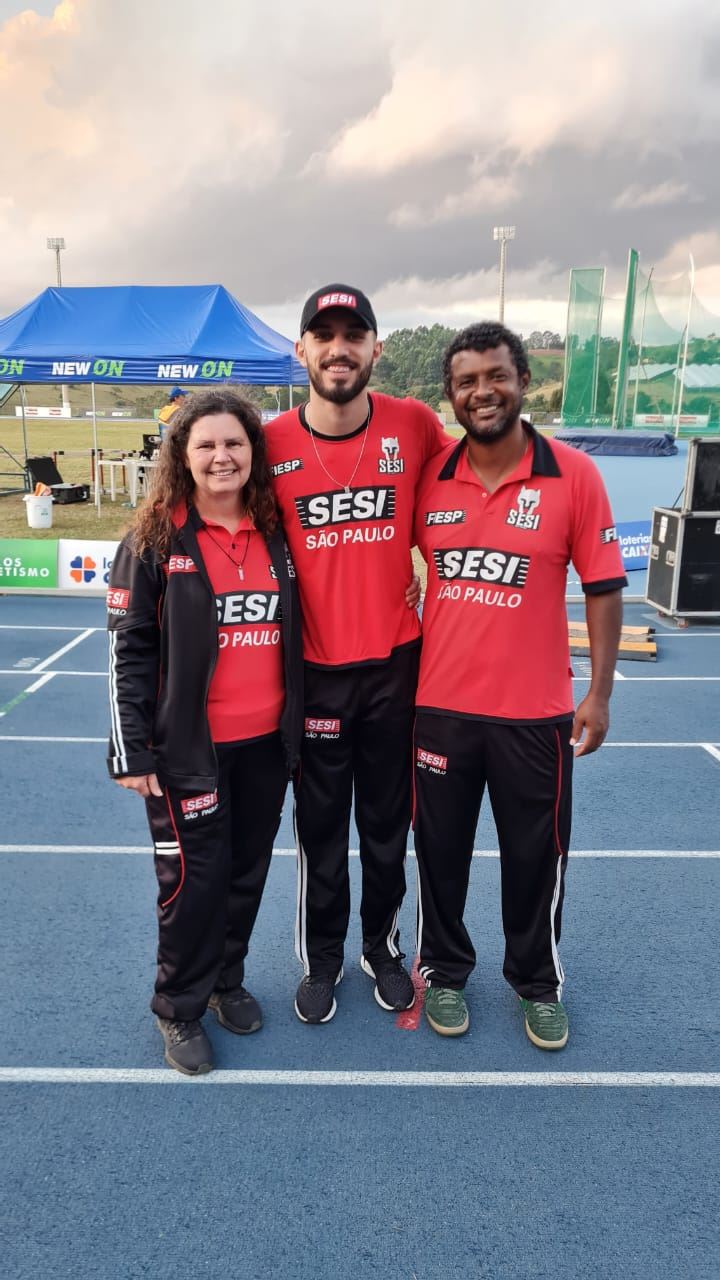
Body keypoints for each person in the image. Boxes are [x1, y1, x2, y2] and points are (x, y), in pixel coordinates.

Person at [412, 321, 626, 1048]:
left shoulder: (575, 475)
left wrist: (598, 691)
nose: (483, 392)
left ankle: (537, 981)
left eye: (495, 376)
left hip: (536, 714)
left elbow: (602, 588)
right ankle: (443, 971)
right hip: (439, 708)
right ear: (450, 396)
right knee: (440, 852)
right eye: (467, 381)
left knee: (538, 858)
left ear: (524, 381)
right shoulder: (430, 479)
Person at [265, 283, 451, 1024]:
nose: (339, 347)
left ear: (376, 348)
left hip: (394, 667)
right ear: (301, 350)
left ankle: (382, 946)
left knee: (385, 825)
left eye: (354, 333)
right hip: (312, 676)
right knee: (319, 831)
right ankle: (323, 958)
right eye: (324, 334)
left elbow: (465, 500)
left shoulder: (416, 425)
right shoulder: (271, 442)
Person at [106, 388, 303, 1075]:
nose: (222, 456)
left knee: (245, 873)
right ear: (183, 457)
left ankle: (225, 981)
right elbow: (126, 649)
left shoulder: (278, 533)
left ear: (254, 452)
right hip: (188, 752)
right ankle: (178, 1008)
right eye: (207, 445)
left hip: (264, 748)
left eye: (235, 444)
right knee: (195, 883)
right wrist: (132, 750)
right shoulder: (155, 539)